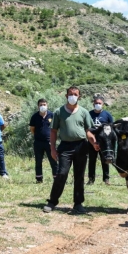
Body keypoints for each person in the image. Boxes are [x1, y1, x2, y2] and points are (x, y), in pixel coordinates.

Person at [43, 86, 99, 214]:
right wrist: (52, 148)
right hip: (65, 146)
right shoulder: (59, 112)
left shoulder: (84, 112)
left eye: (75, 94)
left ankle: (78, 203)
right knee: (62, 173)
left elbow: (89, 132)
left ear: (79, 96)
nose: (73, 96)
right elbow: (53, 131)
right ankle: (52, 201)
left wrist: (94, 143)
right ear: (66, 95)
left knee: (79, 175)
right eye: (70, 94)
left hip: (81, 146)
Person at [87, 95, 114, 185]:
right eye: (96, 103)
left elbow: (111, 127)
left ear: (103, 104)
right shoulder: (89, 114)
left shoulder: (107, 115)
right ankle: (91, 179)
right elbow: (86, 128)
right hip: (91, 141)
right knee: (92, 160)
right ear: (93, 104)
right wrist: (93, 140)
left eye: (99, 103)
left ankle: (106, 179)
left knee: (105, 160)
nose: (98, 104)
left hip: (104, 142)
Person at [29, 98, 56, 183]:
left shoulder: (52, 115)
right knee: (38, 161)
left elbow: (56, 128)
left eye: (44, 105)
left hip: (50, 142)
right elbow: (32, 129)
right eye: (41, 105)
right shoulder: (34, 116)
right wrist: (38, 136)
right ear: (38, 106)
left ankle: (56, 178)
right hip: (38, 143)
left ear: (47, 105)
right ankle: (39, 179)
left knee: (53, 160)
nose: (42, 106)